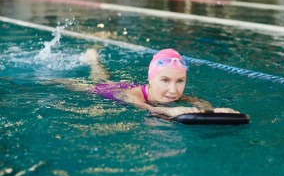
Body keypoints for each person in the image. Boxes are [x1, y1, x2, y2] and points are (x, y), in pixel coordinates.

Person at [56, 48, 239, 118]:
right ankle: (92, 61)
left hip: (129, 85)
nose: (173, 90)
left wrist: (212, 111)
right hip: (103, 91)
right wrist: (168, 110)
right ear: (151, 79)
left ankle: (94, 61)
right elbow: (142, 106)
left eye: (180, 81)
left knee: (105, 76)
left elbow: (197, 101)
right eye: (165, 80)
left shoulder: (179, 95)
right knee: (80, 83)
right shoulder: (132, 95)